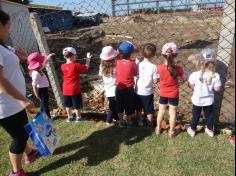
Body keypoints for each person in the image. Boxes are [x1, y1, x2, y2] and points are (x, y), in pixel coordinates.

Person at [0, 10, 39, 176]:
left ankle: (30, 153)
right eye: (8, 25)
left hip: (13, 102)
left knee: (22, 130)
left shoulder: (2, 45)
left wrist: (20, 55)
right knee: (19, 137)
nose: (9, 29)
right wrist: (23, 100)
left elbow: (10, 52)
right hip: (6, 105)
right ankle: (16, 172)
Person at [187, 48, 221, 137]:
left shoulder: (194, 74)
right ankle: (210, 130)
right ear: (213, 63)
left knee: (196, 115)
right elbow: (217, 89)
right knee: (209, 116)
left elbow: (190, 85)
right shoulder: (216, 76)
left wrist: (195, 88)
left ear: (200, 62)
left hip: (197, 100)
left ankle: (192, 130)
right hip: (209, 100)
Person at [155, 42, 186, 138]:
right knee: (172, 113)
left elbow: (156, 80)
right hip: (174, 93)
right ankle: (171, 132)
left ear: (163, 54)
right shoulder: (179, 68)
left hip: (163, 93)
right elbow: (184, 79)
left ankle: (158, 129)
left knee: (161, 111)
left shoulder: (159, 68)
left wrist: (157, 82)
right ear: (176, 55)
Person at [61, 47, 91, 122]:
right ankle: (78, 117)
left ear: (65, 56)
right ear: (72, 56)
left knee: (68, 105)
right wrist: (88, 59)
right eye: (75, 55)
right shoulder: (76, 65)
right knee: (76, 105)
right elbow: (86, 68)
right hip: (74, 89)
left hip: (65, 89)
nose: (76, 57)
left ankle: (70, 117)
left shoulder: (62, 66)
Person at [135, 43, 158, 127]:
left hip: (137, 90)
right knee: (149, 109)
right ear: (153, 55)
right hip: (148, 92)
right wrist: (156, 79)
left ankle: (139, 121)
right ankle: (150, 123)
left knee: (138, 108)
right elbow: (155, 81)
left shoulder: (138, 64)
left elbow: (135, 74)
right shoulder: (154, 67)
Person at [115, 41, 137, 128]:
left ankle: (120, 122)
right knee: (128, 106)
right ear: (131, 53)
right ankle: (129, 123)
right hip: (129, 89)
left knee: (119, 105)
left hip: (119, 88)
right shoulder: (132, 64)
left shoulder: (117, 62)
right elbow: (135, 73)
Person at [27, 52, 54, 119]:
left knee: (44, 104)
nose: (42, 63)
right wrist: (37, 95)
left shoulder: (38, 70)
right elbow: (34, 85)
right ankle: (47, 117)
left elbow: (44, 64)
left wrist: (48, 57)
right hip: (41, 90)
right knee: (44, 105)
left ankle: (44, 116)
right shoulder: (36, 73)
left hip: (44, 89)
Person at [99, 46, 119, 125]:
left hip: (108, 90)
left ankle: (115, 118)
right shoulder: (116, 67)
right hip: (116, 90)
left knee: (113, 105)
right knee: (112, 107)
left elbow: (101, 75)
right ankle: (108, 120)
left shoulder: (101, 66)